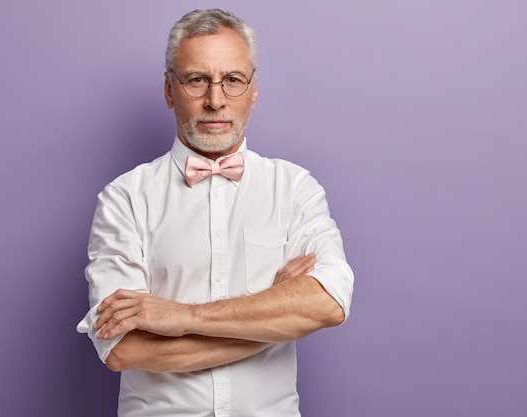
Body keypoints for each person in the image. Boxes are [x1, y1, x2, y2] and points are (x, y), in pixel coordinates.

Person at [77, 8, 354, 417]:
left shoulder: (295, 188)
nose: (216, 100)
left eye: (233, 80)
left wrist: (181, 316)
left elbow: (327, 304)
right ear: (170, 90)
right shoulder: (125, 198)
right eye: (197, 80)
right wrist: (271, 318)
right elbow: (123, 348)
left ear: (254, 90)